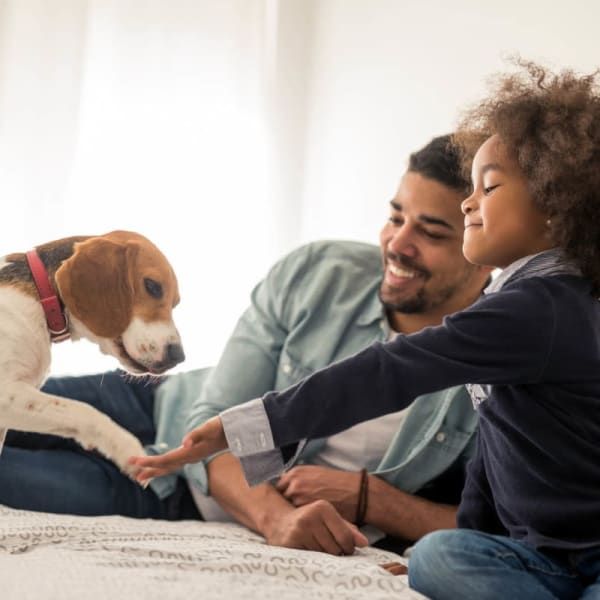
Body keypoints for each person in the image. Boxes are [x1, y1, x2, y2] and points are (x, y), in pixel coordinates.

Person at [132, 60, 600, 599]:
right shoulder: (520, 303)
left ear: (554, 206)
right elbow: (496, 454)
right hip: (544, 557)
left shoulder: (542, 308)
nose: (470, 201)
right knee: (437, 556)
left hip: (586, 553)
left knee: (442, 560)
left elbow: (390, 370)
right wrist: (474, 540)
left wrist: (252, 426)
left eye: (488, 188)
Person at [0, 135, 492, 555]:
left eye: (430, 232)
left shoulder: (502, 361)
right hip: (156, 403)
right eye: (396, 216)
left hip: (168, 494)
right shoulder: (319, 272)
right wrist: (277, 520)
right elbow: (215, 412)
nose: (397, 244)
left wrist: (374, 501)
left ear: (483, 251)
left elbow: (505, 527)